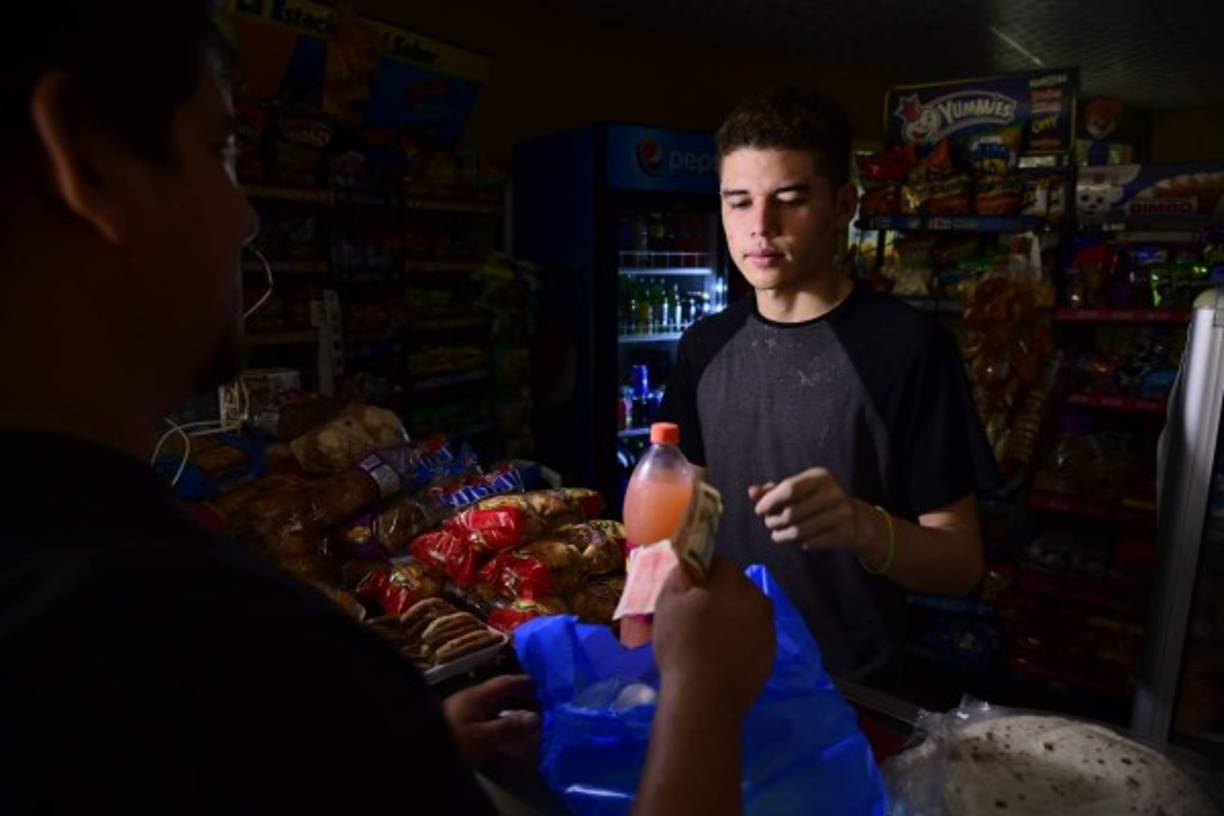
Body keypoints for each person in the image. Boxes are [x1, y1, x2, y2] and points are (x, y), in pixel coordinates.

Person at [0, 4, 775, 813]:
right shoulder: (213, 645)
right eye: (219, 150)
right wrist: (705, 695)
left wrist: (389, 747)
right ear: (85, 164)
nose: (247, 215)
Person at [660, 84, 999, 683]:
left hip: (849, 686)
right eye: (738, 202)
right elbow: (702, 506)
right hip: (721, 667)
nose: (759, 226)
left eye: (789, 199)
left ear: (844, 205)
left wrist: (863, 525)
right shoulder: (703, 346)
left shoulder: (906, 348)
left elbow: (961, 561)